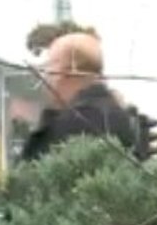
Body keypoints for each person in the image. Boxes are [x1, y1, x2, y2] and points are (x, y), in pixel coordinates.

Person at [21, 32, 138, 162]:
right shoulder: (123, 119)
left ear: (66, 71)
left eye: (49, 65)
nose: (45, 76)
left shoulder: (68, 127)